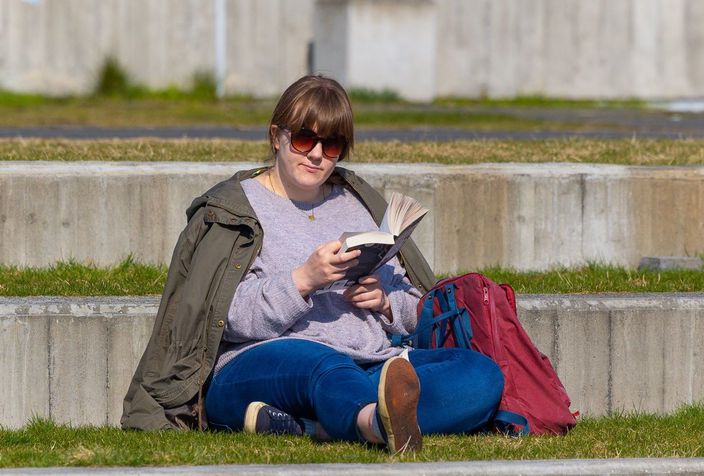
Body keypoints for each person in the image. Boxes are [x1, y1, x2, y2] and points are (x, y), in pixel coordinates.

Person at [122, 75, 503, 453]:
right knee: (320, 364)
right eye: (305, 139)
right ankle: (373, 422)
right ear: (276, 136)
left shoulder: (357, 204)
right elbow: (225, 317)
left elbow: (412, 307)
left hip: (370, 361)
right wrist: (303, 280)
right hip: (267, 362)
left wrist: (385, 302)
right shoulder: (236, 210)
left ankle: (319, 426)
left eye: (332, 144)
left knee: (480, 375)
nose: (317, 155)